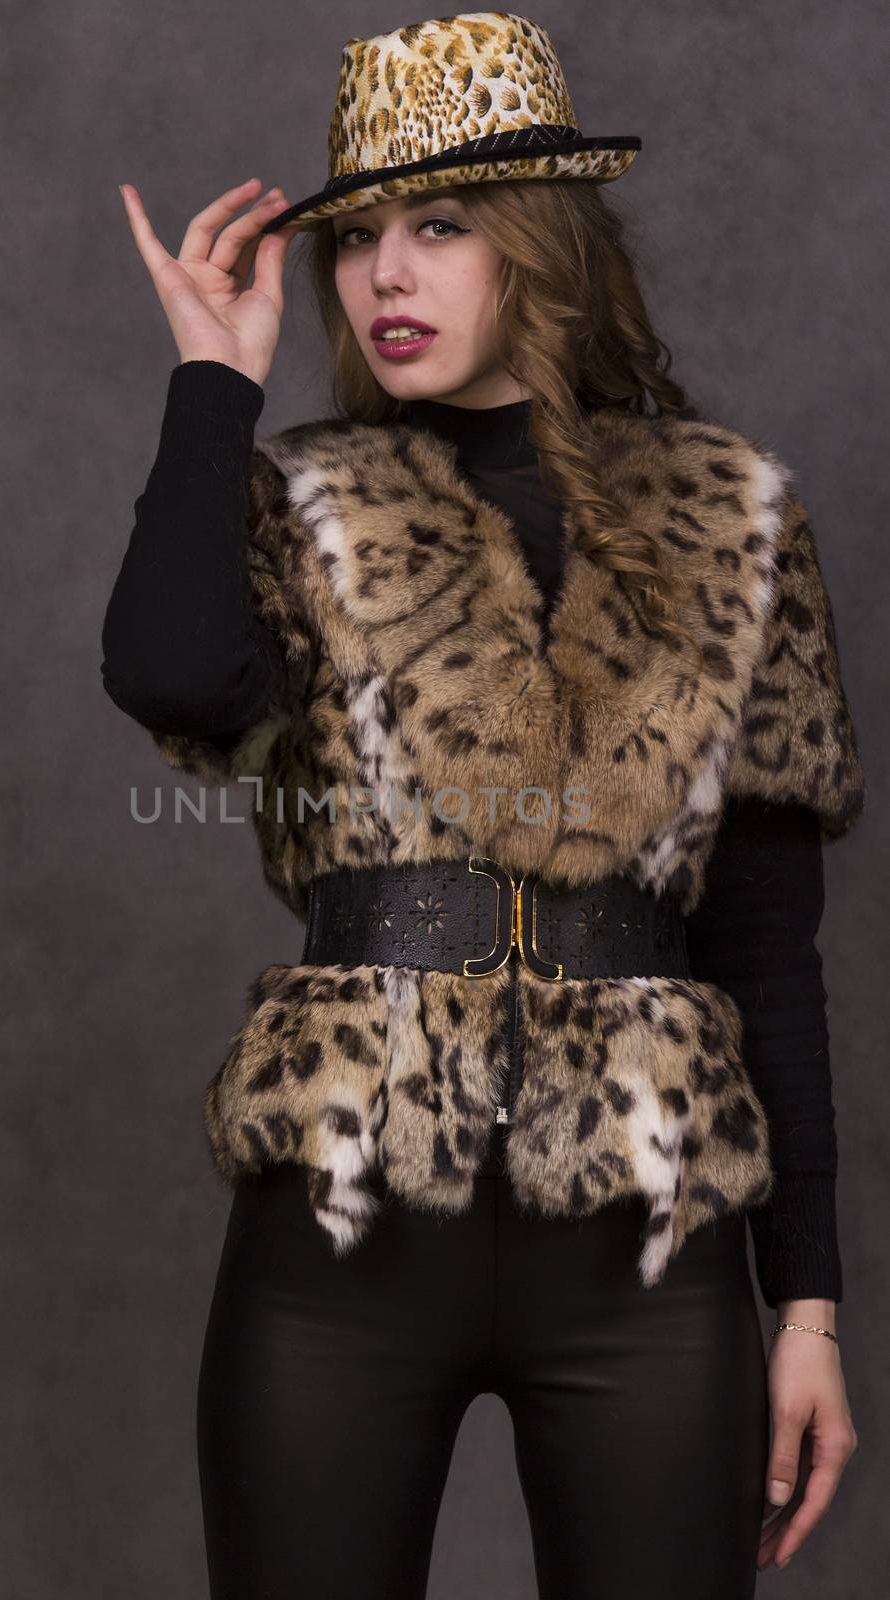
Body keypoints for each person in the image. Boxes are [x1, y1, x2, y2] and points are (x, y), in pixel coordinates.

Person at [103, 14, 864, 1597]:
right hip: (341, 1221)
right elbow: (172, 677)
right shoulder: (299, 500)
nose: (386, 274)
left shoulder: (733, 517)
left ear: (541, 242)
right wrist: (205, 386)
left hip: (649, 1240)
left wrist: (808, 1315)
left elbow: (770, 955)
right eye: (361, 235)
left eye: (440, 227)